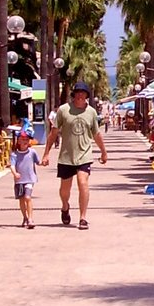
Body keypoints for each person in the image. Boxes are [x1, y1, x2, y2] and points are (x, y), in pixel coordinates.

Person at [42, 81, 107, 230]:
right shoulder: (64, 110)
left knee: (82, 182)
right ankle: (65, 206)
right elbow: (54, 133)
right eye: (77, 92)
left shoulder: (91, 112)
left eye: (82, 93)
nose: (79, 95)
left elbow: (96, 134)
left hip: (84, 155)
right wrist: (46, 154)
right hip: (66, 156)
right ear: (74, 94)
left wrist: (104, 152)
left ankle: (83, 217)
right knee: (65, 190)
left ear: (86, 96)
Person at [10, 126, 40, 229]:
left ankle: (31, 219)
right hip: (19, 180)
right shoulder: (14, 154)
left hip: (30, 179)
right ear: (18, 141)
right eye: (22, 139)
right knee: (21, 199)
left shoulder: (32, 152)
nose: (25, 141)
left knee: (28, 197)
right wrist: (15, 174)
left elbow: (38, 162)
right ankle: (25, 217)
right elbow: (12, 166)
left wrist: (44, 162)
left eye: (27, 140)